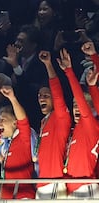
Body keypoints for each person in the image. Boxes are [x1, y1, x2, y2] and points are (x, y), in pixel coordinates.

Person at [57, 48, 99, 198]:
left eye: (80, 105)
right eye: (73, 104)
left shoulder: (91, 126)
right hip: (72, 187)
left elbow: (80, 98)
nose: (76, 107)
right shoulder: (75, 129)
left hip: (85, 187)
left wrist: (69, 71)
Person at [32, 50, 71, 199]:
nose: (42, 98)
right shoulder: (43, 121)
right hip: (42, 181)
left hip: (55, 180)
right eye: (40, 96)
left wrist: (48, 65)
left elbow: (57, 93)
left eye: (46, 96)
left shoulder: (60, 116)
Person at [3, 24, 48, 131]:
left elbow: (31, 90)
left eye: (22, 41)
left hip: (31, 113)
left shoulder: (42, 63)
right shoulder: (12, 59)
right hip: (11, 113)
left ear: (33, 45)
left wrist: (16, 68)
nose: (17, 44)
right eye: (17, 40)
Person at [0, 85, 35, 199]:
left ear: (15, 123)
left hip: (23, 196)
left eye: (3, 119)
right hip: (7, 196)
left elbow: (23, 120)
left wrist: (12, 98)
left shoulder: (23, 138)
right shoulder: (5, 145)